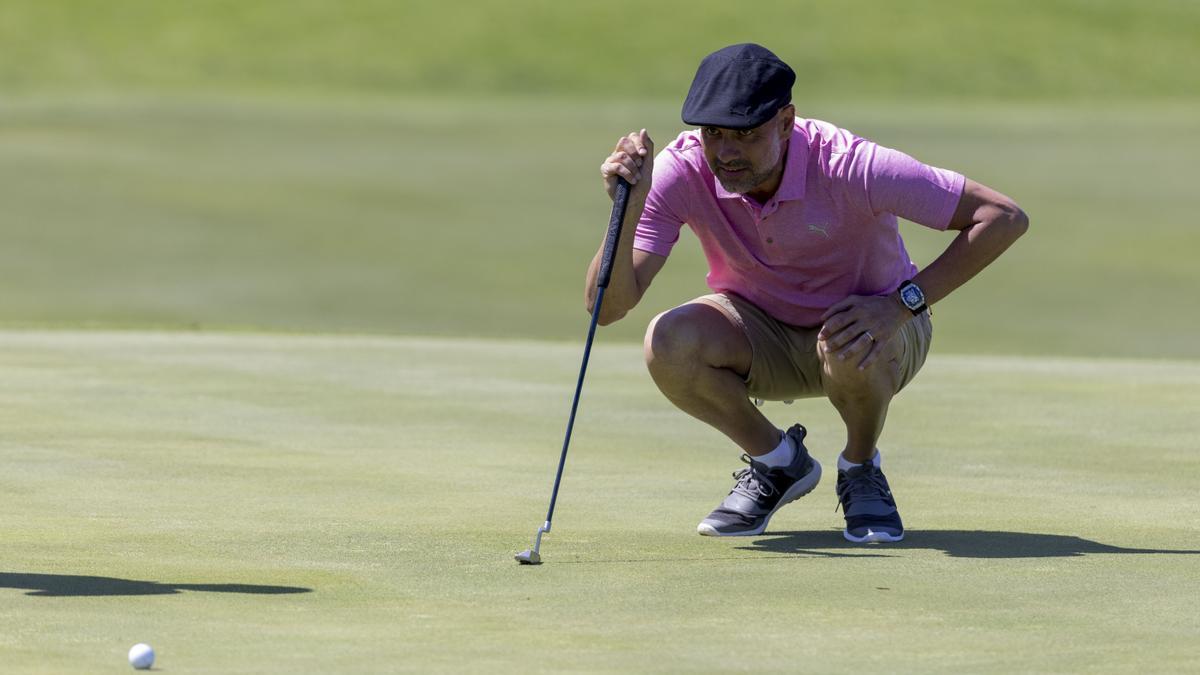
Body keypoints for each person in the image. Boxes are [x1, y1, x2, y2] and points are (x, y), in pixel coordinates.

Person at [590, 43, 1028, 542]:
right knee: (668, 340)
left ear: (785, 121)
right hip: (761, 332)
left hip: (877, 332)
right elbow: (606, 309)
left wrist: (900, 305)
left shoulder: (852, 165)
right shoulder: (682, 170)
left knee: (846, 338)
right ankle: (778, 463)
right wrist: (629, 204)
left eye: (746, 134)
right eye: (713, 133)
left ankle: (861, 468)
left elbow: (1003, 217)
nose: (727, 152)